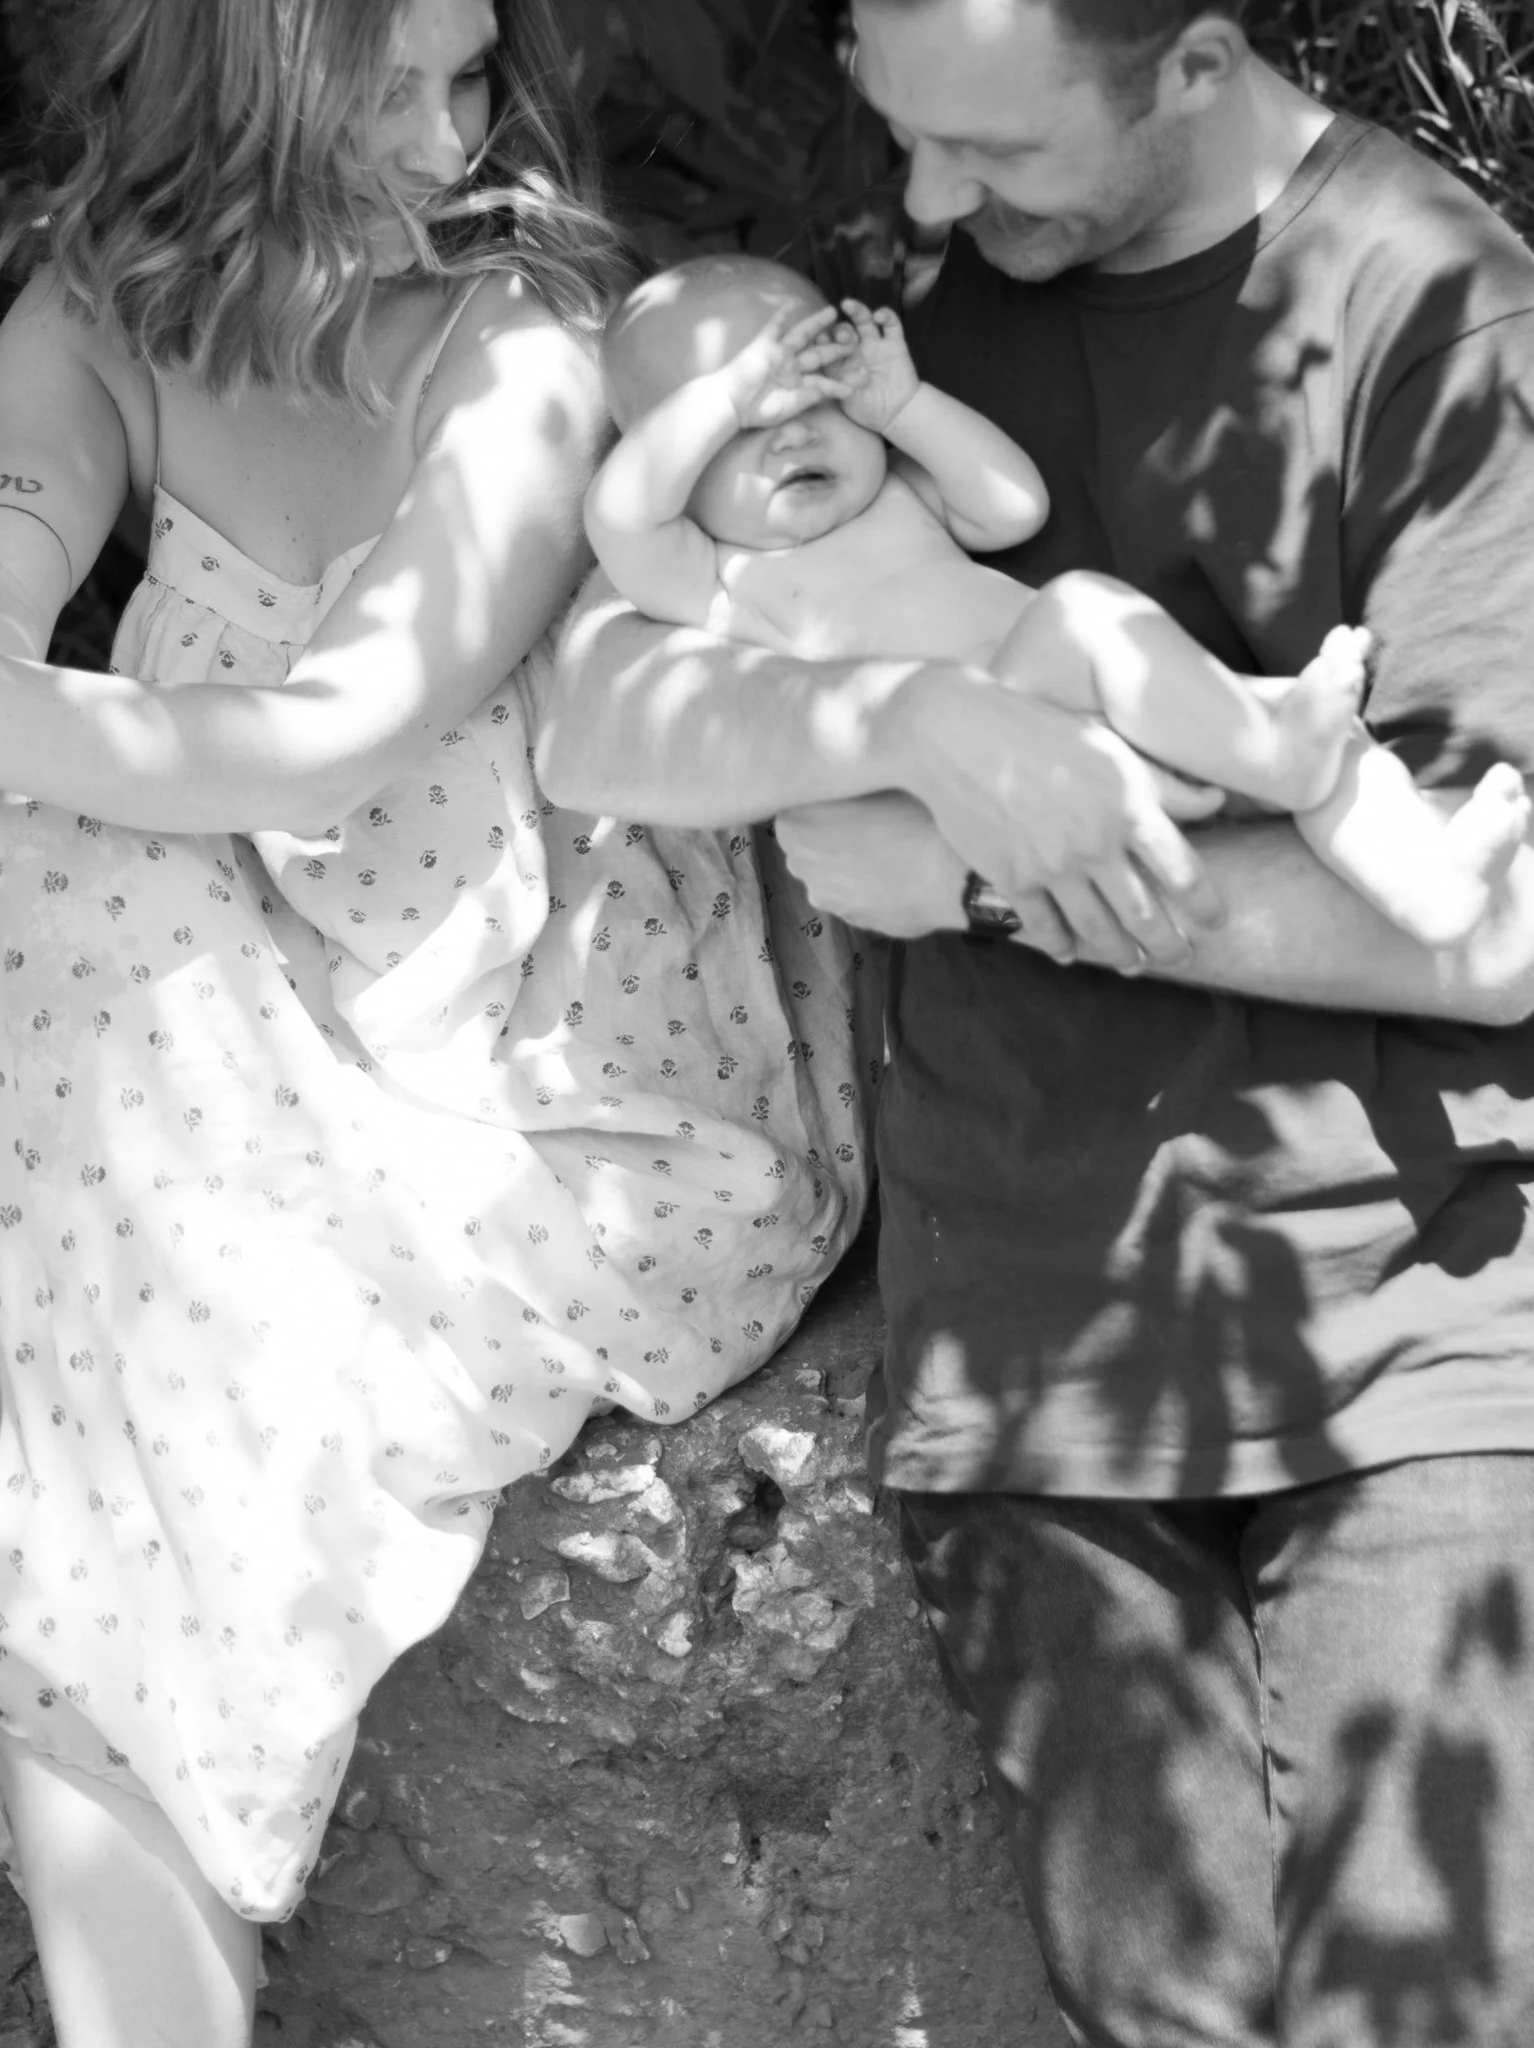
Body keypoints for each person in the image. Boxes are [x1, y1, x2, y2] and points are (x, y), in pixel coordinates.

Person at [538, 1, 1534, 2042]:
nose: (919, 207)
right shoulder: (898, 323)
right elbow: (599, 700)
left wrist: (993, 883)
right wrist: (896, 722)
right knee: (1165, 2016)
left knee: (1418, 2012)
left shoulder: (1439, 323)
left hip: (1403, 1327)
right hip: (1026, 1334)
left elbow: (1496, 932)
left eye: (986, 156)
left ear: (1188, 61)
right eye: (900, 143)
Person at [0, 0, 871, 2040]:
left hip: (524, 1039)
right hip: (229, 983)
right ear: (233, 77)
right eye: (390, 86)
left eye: (467, 76)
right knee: (13, 833)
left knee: (48, 821)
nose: (449, 139)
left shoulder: (508, 336)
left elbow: (324, 743)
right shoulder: (98, 306)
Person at [587, 249, 1531, 947]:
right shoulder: (715, 582)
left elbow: (1012, 504)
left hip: (1114, 726)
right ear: (662, 452)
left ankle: (1427, 892)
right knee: (1085, 610)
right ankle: (1283, 763)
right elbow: (619, 518)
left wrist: (902, 406)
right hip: (998, 767)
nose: (787, 428)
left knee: (1312, 721)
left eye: (815, 388)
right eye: (739, 423)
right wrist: (724, 396)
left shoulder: (898, 496)